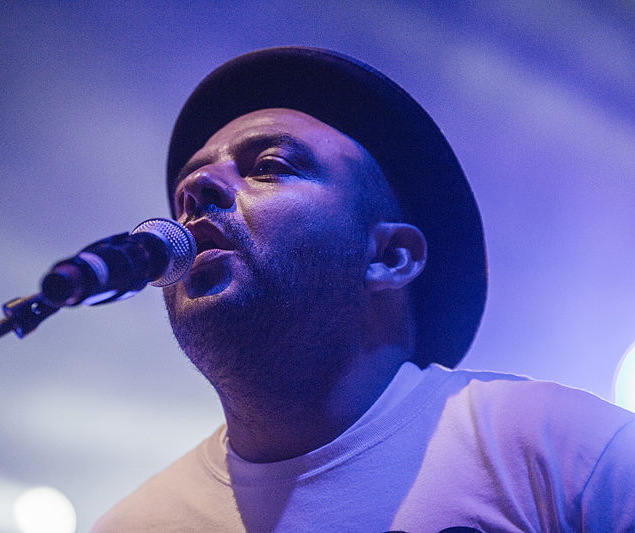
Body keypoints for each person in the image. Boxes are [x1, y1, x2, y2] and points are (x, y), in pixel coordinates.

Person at [92, 47, 635, 532]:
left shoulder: (566, 451)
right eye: (187, 195)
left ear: (389, 257)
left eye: (269, 166)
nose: (197, 190)